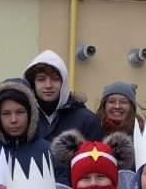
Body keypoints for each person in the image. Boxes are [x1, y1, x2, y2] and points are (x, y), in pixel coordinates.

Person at [23, 50, 102, 181]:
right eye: (41, 79)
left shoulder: (87, 120)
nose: (48, 85)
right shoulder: (24, 118)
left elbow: (97, 166)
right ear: (32, 83)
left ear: (63, 82)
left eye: (55, 79)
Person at [0, 77, 52, 169]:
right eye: (6, 113)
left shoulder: (49, 151)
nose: (13, 120)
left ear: (31, 114)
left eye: (20, 112)